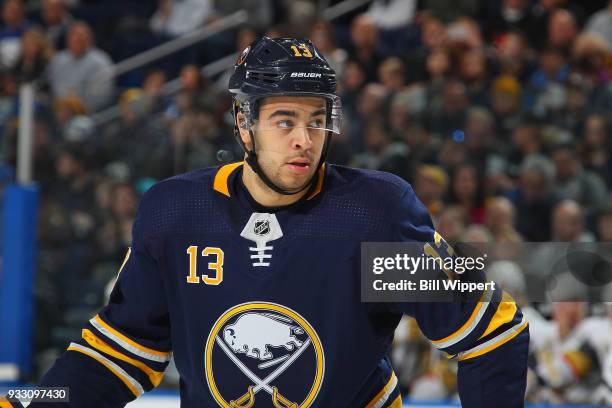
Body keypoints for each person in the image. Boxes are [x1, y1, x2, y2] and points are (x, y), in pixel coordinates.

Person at [29, 37, 528, 408]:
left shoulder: (373, 215)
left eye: (316, 120)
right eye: (285, 120)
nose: (304, 140)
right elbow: (114, 355)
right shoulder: (177, 213)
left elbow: (492, 331)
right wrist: (30, 400)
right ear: (244, 124)